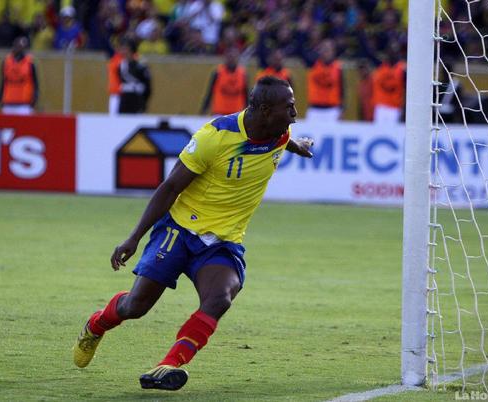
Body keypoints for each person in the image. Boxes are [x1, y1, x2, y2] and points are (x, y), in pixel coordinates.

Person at [73, 76, 315, 391]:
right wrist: (134, 237)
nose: (296, 112)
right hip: (179, 231)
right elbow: (170, 186)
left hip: (222, 244)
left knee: (220, 297)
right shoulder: (214, 137)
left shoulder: (280, 131)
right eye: (290, 106)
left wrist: (301, 146)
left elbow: (286, 140)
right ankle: (96, 325)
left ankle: (169, 365)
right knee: (136, 306)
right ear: (267, 110)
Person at [0, 36, 38, 115]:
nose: (19, 48)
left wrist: (35, 98)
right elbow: (3, 82)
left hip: (24, 103)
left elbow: (35, 83)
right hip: (8, 102)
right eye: (17, 46)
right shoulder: (6, 62)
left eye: (22, 47)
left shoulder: (30, 63)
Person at [304, 39, 344, 122]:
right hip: (315, 109)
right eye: (324, 49)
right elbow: (301, 50)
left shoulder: (338, 68)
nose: (326, 52)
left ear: (333, 52)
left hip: (332, 110)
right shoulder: (312, 63)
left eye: (328, 49)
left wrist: (341, 109)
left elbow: (342, 91)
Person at [200, 46, 247, 115]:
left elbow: (246, 94)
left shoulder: (243, 74)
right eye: (230, 57)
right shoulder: (218, 72)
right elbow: (210, 93)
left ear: (238, 58)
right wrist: (204, 109)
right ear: (225, 57)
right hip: (220, 112)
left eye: (234, 57)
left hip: (236, 114)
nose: (232, 59)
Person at [371, 42, 406, 124]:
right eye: (391, 51)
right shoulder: (380, 65)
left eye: (395, 51)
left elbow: (406, 90)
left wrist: (403, 108)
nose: (392, 54)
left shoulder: (402, 69)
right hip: (380, 106)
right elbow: (369, 53)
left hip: (394, 108)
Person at [117, 37, 151, 114]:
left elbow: (148, 87)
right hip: (125, 101)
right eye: (122, 49)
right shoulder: (121, 66)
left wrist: (143, 102)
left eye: (125, 49)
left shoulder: (141, 66)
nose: (123, 51)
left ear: (131, 49)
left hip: (138, 100)